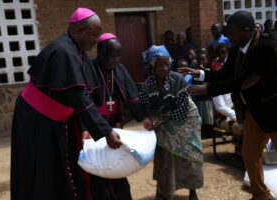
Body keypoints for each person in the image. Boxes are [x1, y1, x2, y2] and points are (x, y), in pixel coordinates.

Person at [11, 8, 123, 200]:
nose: (96, 40)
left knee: (63, 169)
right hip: (36, 122)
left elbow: (83, 93)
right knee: (43, 172)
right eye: (93, 35)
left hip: (56, 120)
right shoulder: (63, 51)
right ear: (80, 29)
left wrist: (84, 126)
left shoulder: (77, 50)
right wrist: (106, 132)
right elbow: (78, 97)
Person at [178, 11, 277, 200]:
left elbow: (242, 81)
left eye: (231, 32)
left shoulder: (265, 48)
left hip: (273, 112)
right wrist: (200, 74)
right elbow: (225, 75)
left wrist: (208, 90)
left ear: (246, 31)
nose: (228, 37)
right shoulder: (236, 49)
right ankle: (260, 195)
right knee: (250, 157)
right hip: (251, 112)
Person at [83, 33, 152, 200]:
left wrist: (143, 118)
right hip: (94, 128)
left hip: (115, 126)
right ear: (101, 53)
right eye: (114, 56)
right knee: (98, 169)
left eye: (119, 56)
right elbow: (82, 103)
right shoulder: (88, 68)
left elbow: (132, 97)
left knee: (117, 165)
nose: (117, 60)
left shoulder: (119, 70)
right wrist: (85, 128)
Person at [140, 45, 203, 200]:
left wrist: (161, 122)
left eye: (167, 64)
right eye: (161, 64)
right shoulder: (148, 84)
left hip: (187, 118)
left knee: (189, 155)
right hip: (165, 118)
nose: (165, 67)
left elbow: (182, 108)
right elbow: (145, 108)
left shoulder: (178, 80)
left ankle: (192, 191)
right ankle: (165, 192)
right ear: (152, 66)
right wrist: (150, 122)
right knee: (165, 155)